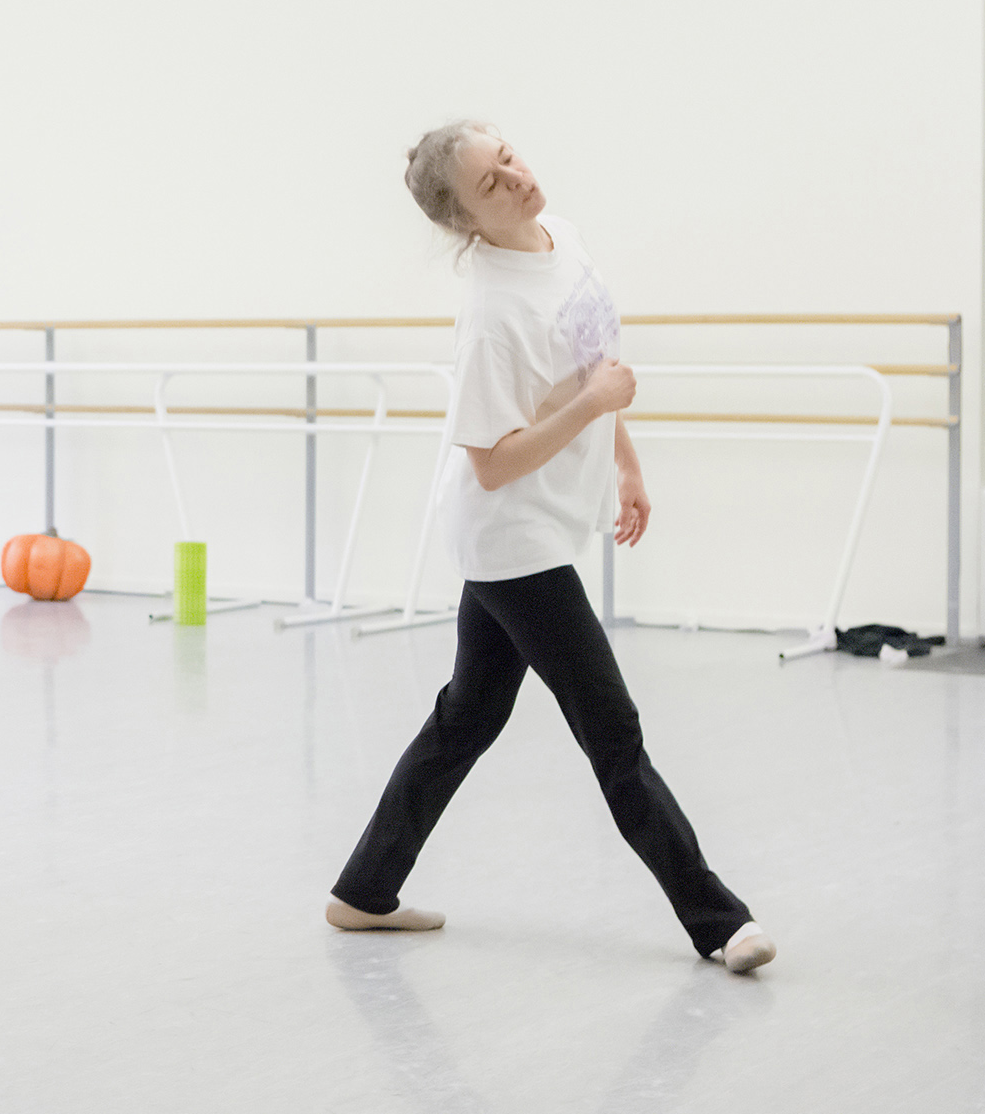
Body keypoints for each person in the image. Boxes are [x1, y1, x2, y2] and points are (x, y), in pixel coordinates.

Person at [325, 121, 775, 974]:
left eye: (510, 160)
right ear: (464, 221)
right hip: (512, 541)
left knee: (468, 716)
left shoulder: (560, 238)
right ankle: (719, 921)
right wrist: (593, 407)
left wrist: (625, 462)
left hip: (535, 524)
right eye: (492, 185)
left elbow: (591, 361)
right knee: (614, 731)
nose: (518, 180)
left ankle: (363, 889)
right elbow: (493, 462)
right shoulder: (490, 316)